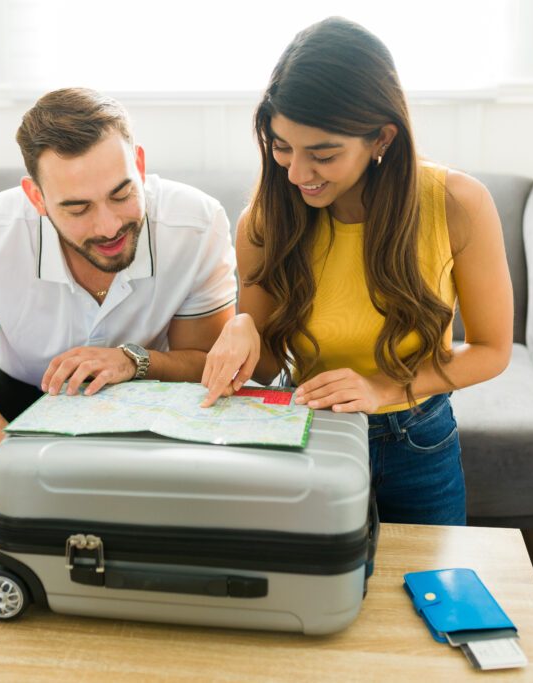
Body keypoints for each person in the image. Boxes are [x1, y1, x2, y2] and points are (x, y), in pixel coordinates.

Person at [200, 17, 513, 525]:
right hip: (313, 435)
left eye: (322, 154)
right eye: (282, 148)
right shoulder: (262, 220)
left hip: (417, 437)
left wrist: (382, 388)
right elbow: (263, 367)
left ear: (381, 138)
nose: (297, 174)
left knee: (426, 593)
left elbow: (493, 350)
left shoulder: (457, 203)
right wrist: (241, 327)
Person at [0, 88, 237, 484]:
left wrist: (132, 360)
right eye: (77, 208)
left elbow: (204, 360)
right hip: (27, 392)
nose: (108, 227)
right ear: (37, 197)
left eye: (121, 194)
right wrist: (3, 441)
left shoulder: (196, 224)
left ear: (139, 167)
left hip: (146, 388)